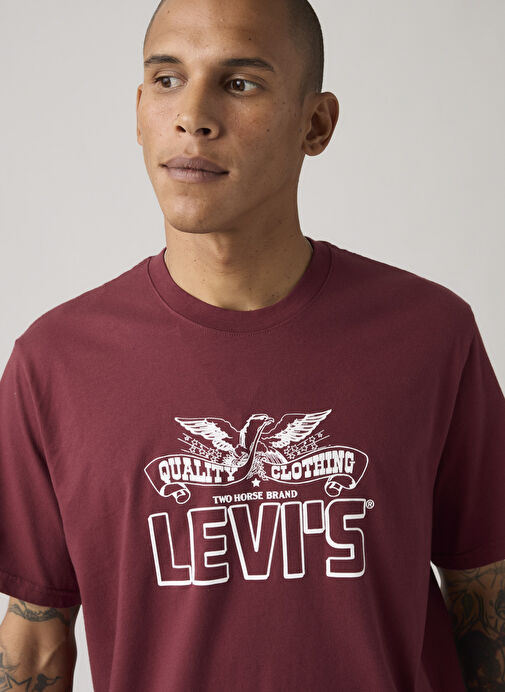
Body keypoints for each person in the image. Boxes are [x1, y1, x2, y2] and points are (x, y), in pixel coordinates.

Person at [0, 0, 504, 689]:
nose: (193, 117)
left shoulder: (430, 334)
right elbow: (34, 644)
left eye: (239, 83)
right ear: (140, 110)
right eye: (167, 79)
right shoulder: (53, 364)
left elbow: (486, 597)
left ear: (315, 124)